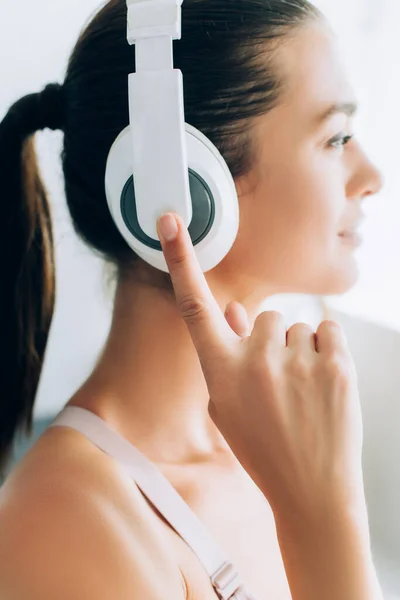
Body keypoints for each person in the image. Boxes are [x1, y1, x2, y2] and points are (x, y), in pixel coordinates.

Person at [0, 0, 384, 599]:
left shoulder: (277, 445)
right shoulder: (69, 522)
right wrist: (329, 519)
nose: (373, 175)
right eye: (336, 138)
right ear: (177, 186)